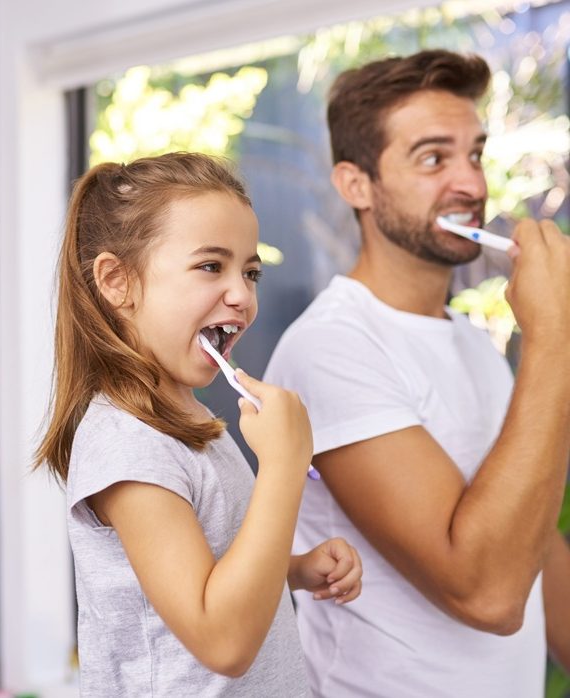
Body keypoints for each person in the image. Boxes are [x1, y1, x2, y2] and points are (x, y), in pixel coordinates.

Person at [265, 49, 570, 697]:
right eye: (433, 158)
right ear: (356, 185)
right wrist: (554, 336)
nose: (471, 184)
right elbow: (485, 593)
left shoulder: (470, 344)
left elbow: (534, 543)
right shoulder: (331, 347)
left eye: (475, 154)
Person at [35, 152, 363, 697]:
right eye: (211, 266)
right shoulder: (127, 446)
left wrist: (294, 569)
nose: (241, 293)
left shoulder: (193, 422)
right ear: (118, 282)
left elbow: (209, 572)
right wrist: (285, 465)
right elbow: (223, 641)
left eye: (250, 272)